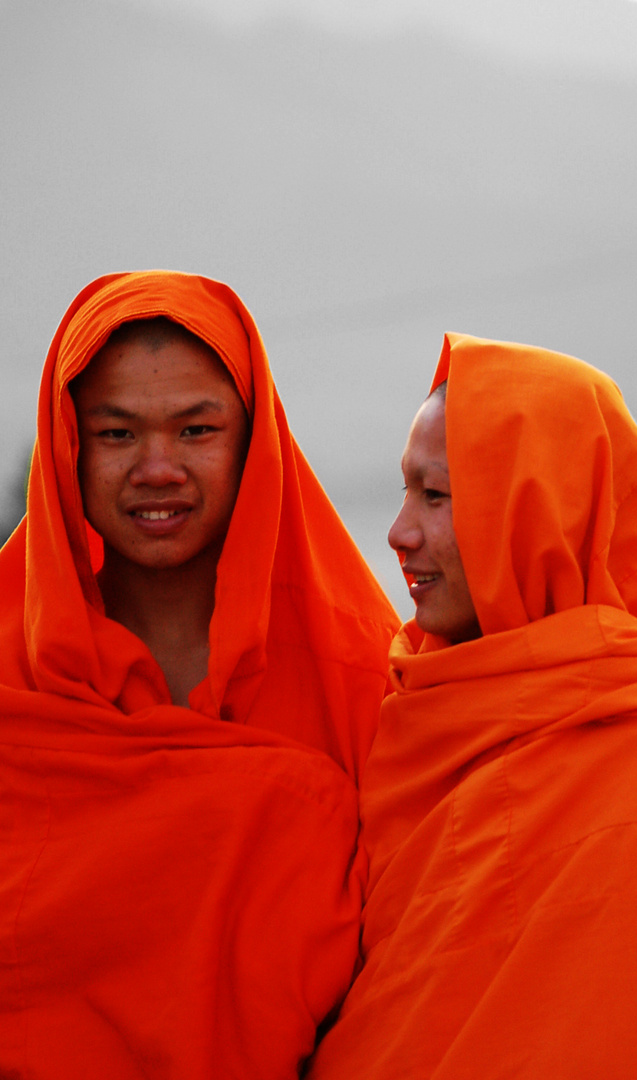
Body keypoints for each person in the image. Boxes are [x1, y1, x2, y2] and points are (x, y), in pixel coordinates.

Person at [0, 270, 398, 1078]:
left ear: (255, 443)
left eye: (196, 431)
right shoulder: (12, 658)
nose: (157, 469)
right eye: (115, 434)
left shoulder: (364, 673)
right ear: (67, 444)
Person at [307, 334, 637, 1078]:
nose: (399, 533)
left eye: (435, 496)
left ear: (537, 510)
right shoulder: (397, 716)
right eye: (404, 491)